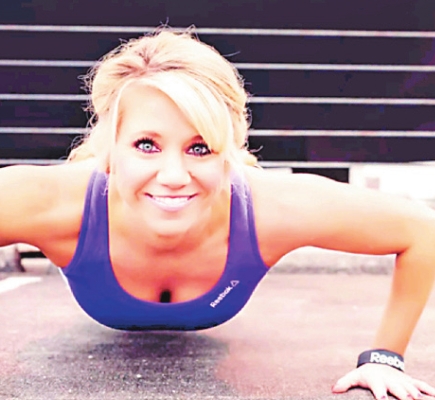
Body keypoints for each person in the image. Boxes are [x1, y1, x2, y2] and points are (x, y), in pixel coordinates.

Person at [1, 27, 435, 400]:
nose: (173, 176)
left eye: (200, 147)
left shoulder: (271, 208)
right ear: (110, 150)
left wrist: (385, 359)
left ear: (228, 152)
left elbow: (421, 230)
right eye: (146, 145)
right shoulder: (54, 202)